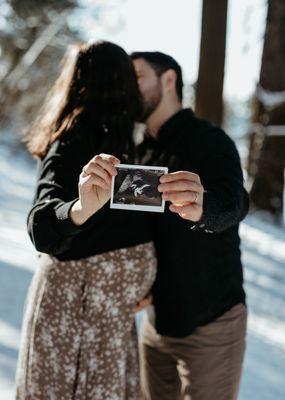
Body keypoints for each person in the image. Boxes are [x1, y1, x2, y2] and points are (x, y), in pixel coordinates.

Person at [15, 41, 157, 400]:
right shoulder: (73, 143)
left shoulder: (129, 146)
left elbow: (135, 225)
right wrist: (79, 208)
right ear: (120, 84)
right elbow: (42, 227)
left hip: (107, 323)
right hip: (74, 321)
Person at [131, 51, 249, 400]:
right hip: (155, 325)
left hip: (211, 321)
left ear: (168, 81)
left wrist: (203, 208)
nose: (127, 87)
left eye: (137, 77)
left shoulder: (210, 140)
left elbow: (237, 202)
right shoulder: (137, 151)